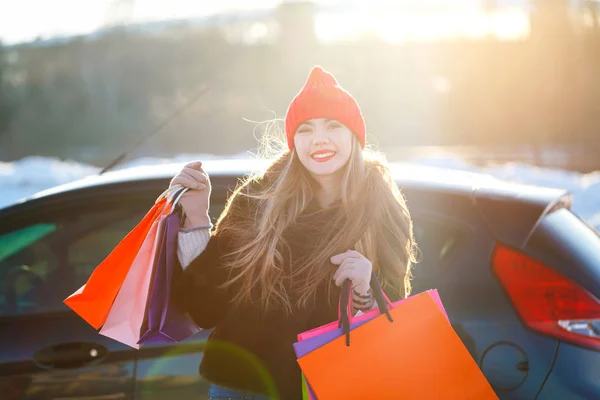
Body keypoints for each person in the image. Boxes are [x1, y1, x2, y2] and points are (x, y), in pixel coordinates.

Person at [170, 66, 417, 400]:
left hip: (325, 386)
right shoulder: (257, 201)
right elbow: (206, 306)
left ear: (354, 136)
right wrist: (197, 217)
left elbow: (392, 321)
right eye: (305, 129)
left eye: (333, 126)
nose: (319, 139)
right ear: (293, 142)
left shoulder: (381, 211)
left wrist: (365, 289)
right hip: (239, 389)